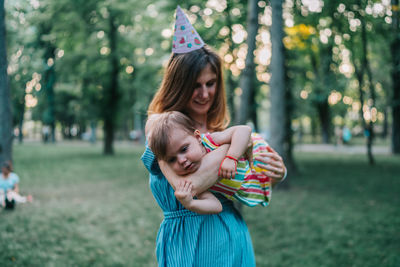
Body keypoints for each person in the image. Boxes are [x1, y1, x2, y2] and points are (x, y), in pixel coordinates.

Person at [141, 6, 286, 266]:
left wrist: (273, 175)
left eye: (211, 83)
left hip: (233, 236)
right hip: (187, 240)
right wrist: (240, 148)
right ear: (178, 85)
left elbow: (243, 182)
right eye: (195, 85)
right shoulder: (160, 127)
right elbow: (192, 185)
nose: (205, 94)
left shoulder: (219, 134)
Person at [147, 111, 274, 213]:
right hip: (252, 179)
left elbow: (244, 130)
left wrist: (231, 157)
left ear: (197, 138)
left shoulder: (211, 140)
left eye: (184, 149)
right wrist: (191, 203)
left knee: (271, 163)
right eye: (172, 159)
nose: (181, 160)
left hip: (257, 153)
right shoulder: (191, 177)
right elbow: (216, 206)